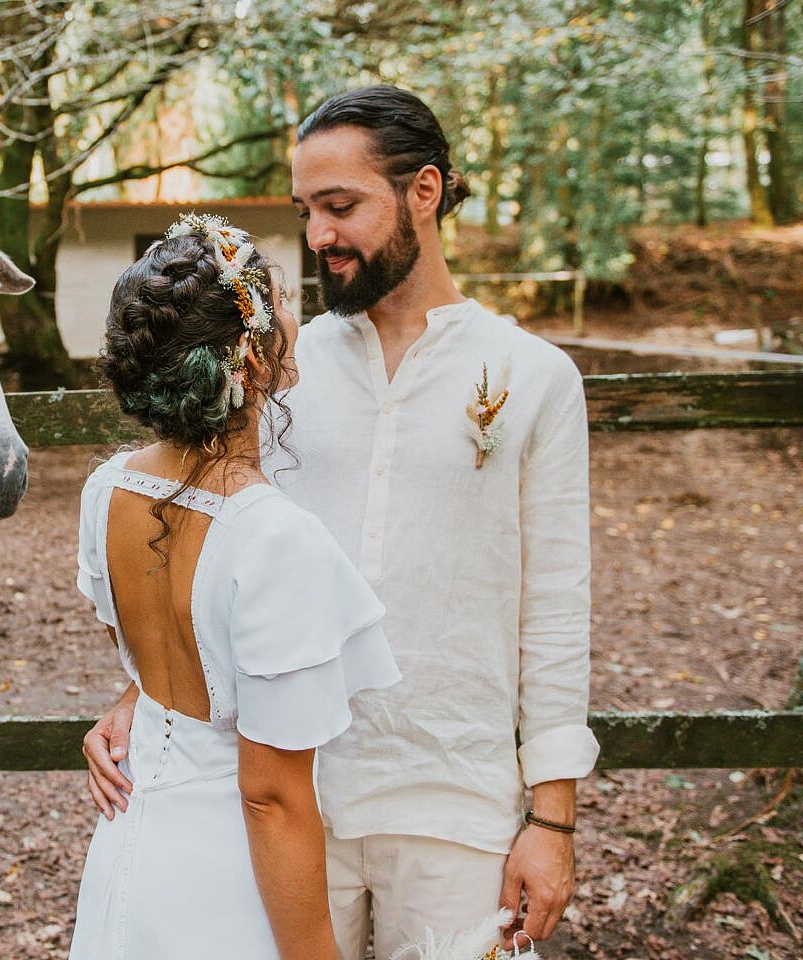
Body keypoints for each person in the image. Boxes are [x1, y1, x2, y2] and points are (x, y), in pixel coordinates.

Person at [82, 86, 599, 960]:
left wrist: (552, 814)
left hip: (455, 804)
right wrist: (150, 689)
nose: (318, 234)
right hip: (293, 791)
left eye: (341, 205)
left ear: (423, 193)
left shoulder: (534, 376)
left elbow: (556, 608)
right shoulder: (276, 371)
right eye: (306, 211)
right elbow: (220, 546)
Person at [67, 214, 401, 960]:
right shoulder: (274, 538)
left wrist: (133, 702)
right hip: (224, 882)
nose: (298, 310)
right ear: (248, 360)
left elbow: (157, 655)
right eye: (281, 297)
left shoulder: (105, 490)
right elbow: (271, 795)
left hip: (132, 849)